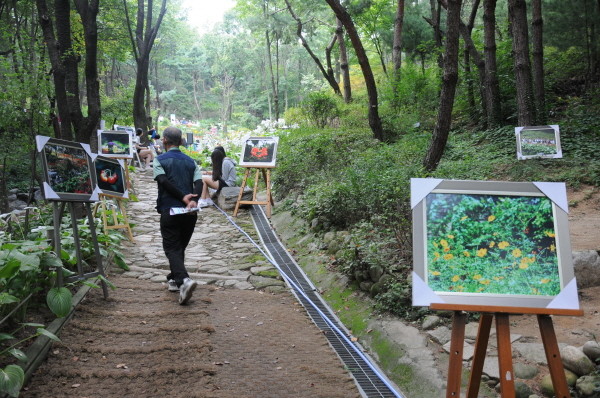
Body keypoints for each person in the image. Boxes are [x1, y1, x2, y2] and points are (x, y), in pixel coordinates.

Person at [153, 127, 201, 305]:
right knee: (179, 247)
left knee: (172, 248)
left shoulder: (159, 160)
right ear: (181, 142)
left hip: (170, 210)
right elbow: (199, 182)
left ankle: (184, 281)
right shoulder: (191, 161)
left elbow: (163, 181)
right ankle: (173, 279)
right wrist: (193, 200)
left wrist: (182, 197)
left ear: (164, 140)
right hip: (190, 212)